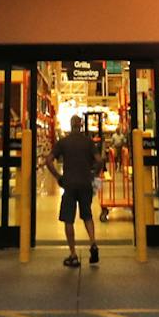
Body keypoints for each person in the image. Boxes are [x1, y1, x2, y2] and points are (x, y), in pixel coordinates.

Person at [45, 114, 99, 267]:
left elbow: (48, 160)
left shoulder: (63, 142)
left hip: (69, 184)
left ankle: (73, 255)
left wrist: (58, 176)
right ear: (81, 125)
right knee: (87, 215)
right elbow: (100, 160)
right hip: (85, 183)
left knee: (68, 219)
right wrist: (94, 174)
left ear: (70, 125)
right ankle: (93, 243)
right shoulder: (88, 142)